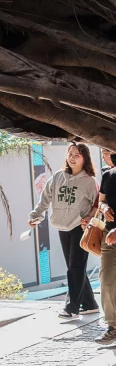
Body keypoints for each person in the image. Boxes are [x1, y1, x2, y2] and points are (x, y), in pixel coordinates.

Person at [28, 143, 99, 320]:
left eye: (77, 155)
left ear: (85, 159)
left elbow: (97, 205)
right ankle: (89, 304)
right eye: (70, 154)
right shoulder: (58, 177)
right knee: (74, 267)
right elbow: (45, 198)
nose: (72, 158)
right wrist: (36, 215)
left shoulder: (89, 181)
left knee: (75, 267)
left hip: (80, 228)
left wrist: (89, 217)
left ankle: (71, 308)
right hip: (62, 226)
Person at [96, 149, 116, 346]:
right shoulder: (108, 175)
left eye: (109, 150)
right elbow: (101, 201)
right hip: (109, 237)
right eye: (104, 151)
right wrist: (104, 208)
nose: (106, 155)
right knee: (107, 280)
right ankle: (113, 326)